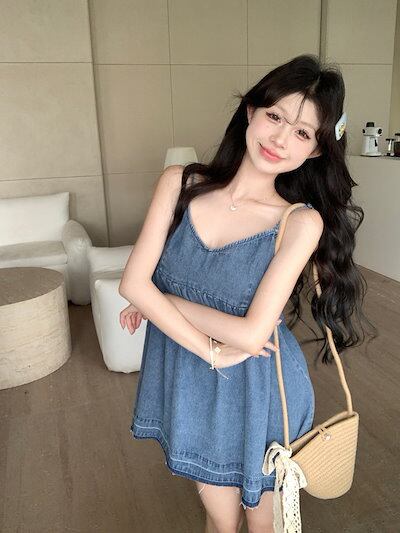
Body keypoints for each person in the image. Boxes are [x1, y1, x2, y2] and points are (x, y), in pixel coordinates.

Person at [118, 54, 377, 533]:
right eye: (275, 116)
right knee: (220, 519)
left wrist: (159, 301)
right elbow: (132, 284)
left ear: (315, 151)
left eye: (302, 133)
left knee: (264, 523)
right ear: (251, 111)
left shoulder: (300, 222)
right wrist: (209, 349)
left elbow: (252, 334)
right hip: (191, 376)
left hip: (260, 386)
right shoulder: (179, 183)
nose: (280, 139)